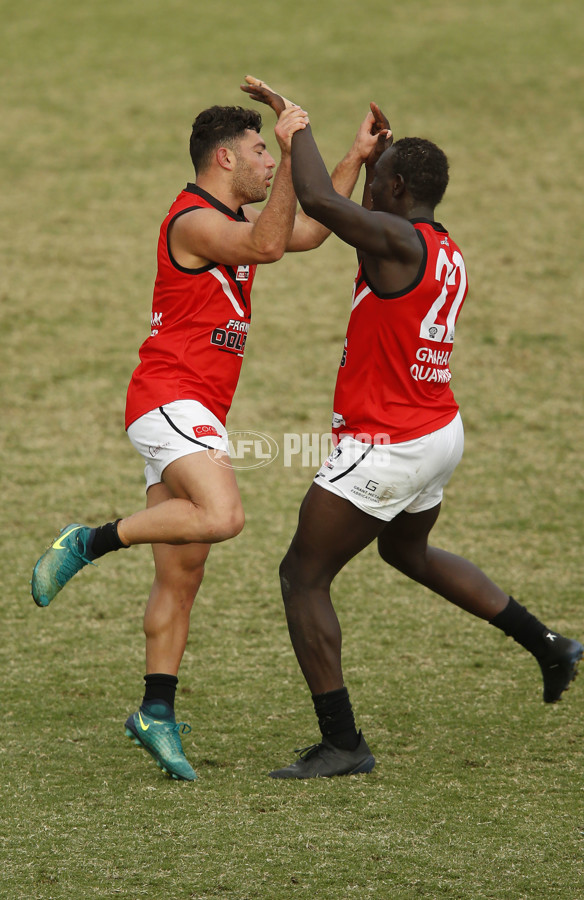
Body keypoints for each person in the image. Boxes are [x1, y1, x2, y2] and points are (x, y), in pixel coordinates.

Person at [31, 80, 385, 782]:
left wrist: (350, 156)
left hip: (198, 410)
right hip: (169, 399)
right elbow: (266, 244)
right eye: (258, 152)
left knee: (183, 566)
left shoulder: (233, 217)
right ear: (224, 159)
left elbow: (302, 233)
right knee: (222, 516)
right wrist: (292, 154)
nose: (266, 163)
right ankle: (89, 540)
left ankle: (154, 712)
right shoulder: (193, 220)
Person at [241, 79, 584, 780]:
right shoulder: (438, 244)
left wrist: (293, 123)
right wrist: (379, 154)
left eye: (379, 182)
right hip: (436, 433)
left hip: (387, 444)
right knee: (409, 554)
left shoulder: (395, 239)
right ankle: (549, 645)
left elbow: (318, 204)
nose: (368, 191)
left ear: (397, 192)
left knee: (302, 577)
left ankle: (343, 744)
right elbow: (369, 208)